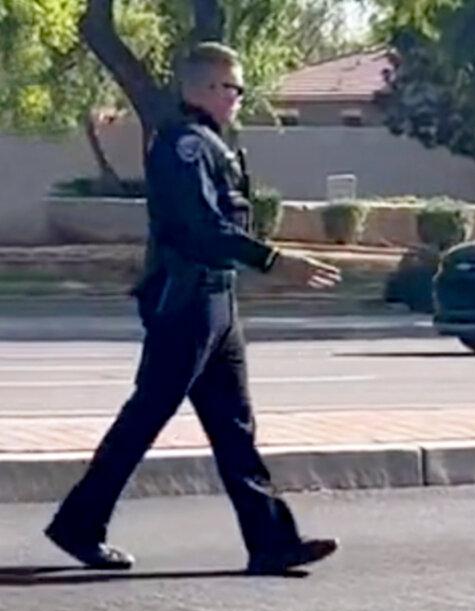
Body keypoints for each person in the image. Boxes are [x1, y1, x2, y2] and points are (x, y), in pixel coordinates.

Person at [43, 42, 343, 575]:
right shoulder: (181, 146)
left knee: (234, 425)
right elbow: (201, 227)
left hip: (217, 301)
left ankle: (271, 540)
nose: (239, 98)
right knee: (147, 415)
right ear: (205, 89)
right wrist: (275, 261)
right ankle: (78, 525)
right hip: (186, 299)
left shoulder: (211, 144)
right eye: (234, 88)